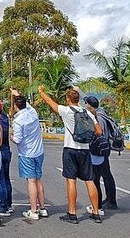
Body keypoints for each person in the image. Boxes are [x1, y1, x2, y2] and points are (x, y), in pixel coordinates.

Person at [38, 85, 103, 224]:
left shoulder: (66, 111)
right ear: (78, 99)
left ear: (68, 99)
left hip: (70, 148)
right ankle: (96, 212)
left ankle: (72, 213)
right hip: (85, 150)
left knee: (71, 180)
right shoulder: (88, 113)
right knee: (90, 180)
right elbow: (99, 131)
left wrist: (42, 92)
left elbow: (50, 102)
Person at [10, 89, 47, 220]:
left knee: (31, 181)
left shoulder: (18, 121)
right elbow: (25, 103)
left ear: (15, 106)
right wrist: (16, 93)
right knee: (38, 179)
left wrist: (12, 137)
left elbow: (18, 140)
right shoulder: (33, 112)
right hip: (39, 151)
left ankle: (33, 210)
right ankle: (42, 208)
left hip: (27, 153)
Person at [83, 95, 118, 213]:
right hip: (103, 150)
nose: (85, 106)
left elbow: (99, 134)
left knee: (100, 177)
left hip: (100, 151)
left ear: (90, 105)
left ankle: (109, 202)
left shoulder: (99, 118)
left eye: (86, 104)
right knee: (106, 175)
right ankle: (109, 199)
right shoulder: (100, 113)